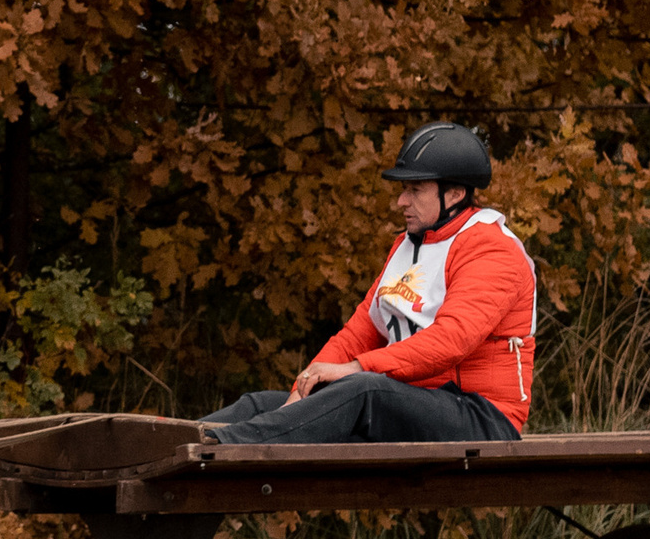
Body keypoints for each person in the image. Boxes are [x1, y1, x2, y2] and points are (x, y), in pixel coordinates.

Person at [201, 123, 535, 446]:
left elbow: (451, 341)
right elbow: (359, 333)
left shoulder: (492, 249)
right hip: (411, 402)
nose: (401, 201)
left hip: (482, 416)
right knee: (261, 405)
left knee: (362, 389)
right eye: (404, 190)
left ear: (455, 194)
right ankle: (177, 439)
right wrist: (301, 387)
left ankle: (224, 448)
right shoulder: (409, 245)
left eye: (415, 190)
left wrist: (356, 368)